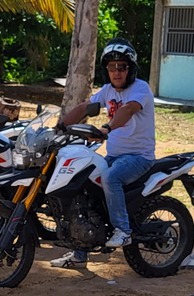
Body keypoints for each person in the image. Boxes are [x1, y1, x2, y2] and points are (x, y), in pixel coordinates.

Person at [50, 38, 156, 269]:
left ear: (131, 69)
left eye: (122, 67)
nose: (116, 72)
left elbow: (128, 110)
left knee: (110, 178)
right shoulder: (107, 90)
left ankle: (123, 230)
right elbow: (83, 108)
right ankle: (80, 252)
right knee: (83, 184)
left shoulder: (141, 88)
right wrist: (58, 128)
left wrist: (106, 128)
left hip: (139, 157)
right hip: (114, 155)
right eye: (111, 67)